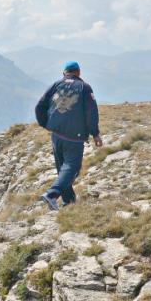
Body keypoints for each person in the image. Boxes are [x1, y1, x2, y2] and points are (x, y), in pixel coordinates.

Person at [35, 61, 102, 211]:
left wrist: (46, 124)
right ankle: (52, 195)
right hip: (74, 136)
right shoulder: (85, 87)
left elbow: (40, 106)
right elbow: (91, 112)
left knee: (63, 169)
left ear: (64, 73)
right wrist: (95, 133)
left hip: (56, 134)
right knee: (72, 167)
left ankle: (69, 203)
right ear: (78, 73)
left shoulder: (55, 85)